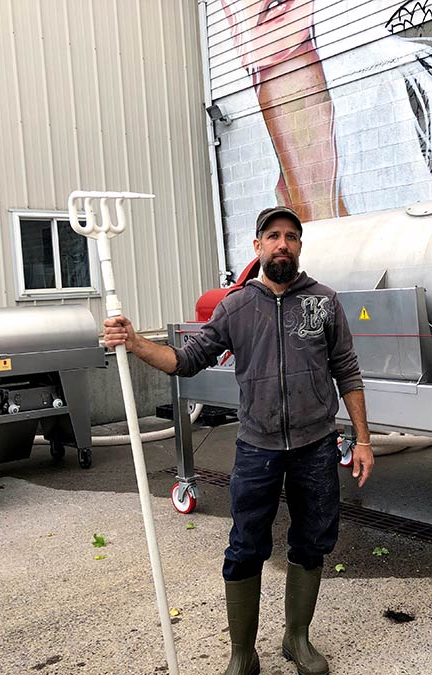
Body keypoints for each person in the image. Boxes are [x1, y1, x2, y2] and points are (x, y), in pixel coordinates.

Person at [103, 205, 374, 675]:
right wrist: (135, 343)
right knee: (246, 545)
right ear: (258, 246)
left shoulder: (324, 303)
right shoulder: (236, 307)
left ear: (299, 247)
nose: (282, 244)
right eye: (273, 236)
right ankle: (242, 655)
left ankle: (297, 638)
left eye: (291, 236)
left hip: (315, 445)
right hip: (256, 448)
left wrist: (364, 440)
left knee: (312, 542)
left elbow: (347, 370)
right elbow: (186, 360)